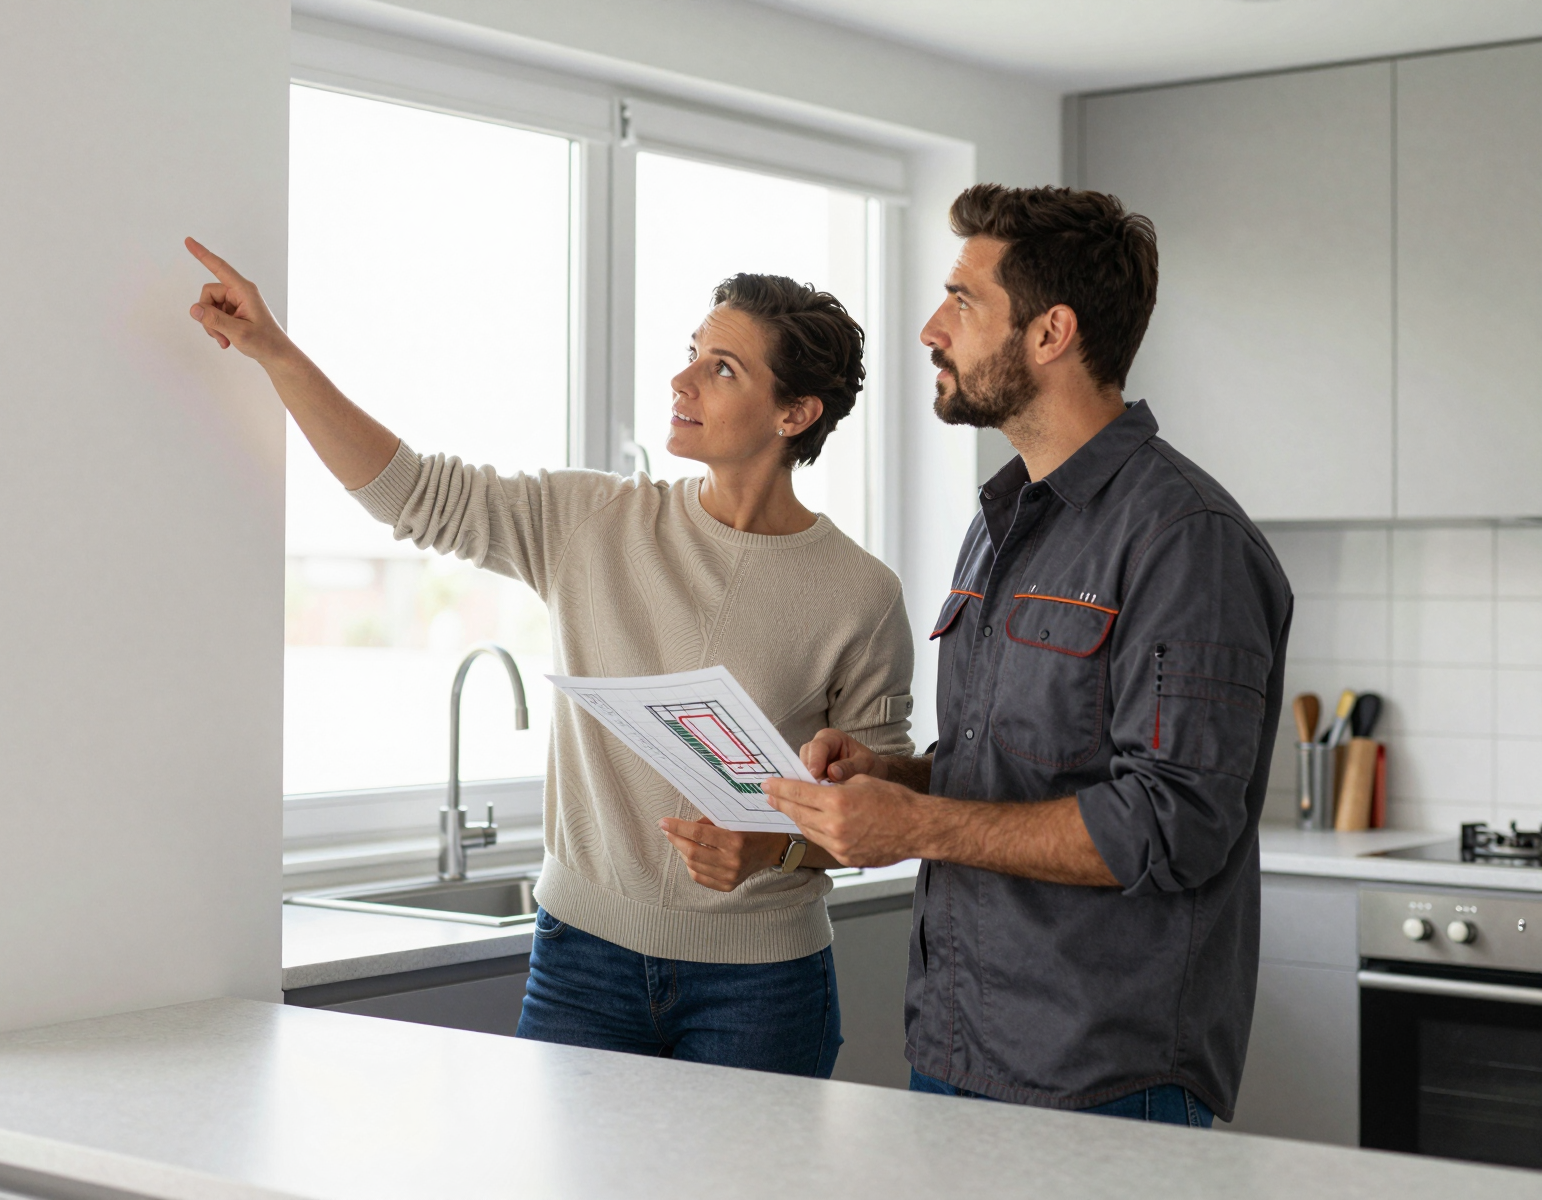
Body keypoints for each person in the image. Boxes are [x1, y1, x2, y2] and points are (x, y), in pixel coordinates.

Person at [184, 239, 915, 1077]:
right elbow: (413, 492)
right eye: (690, 356)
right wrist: (275, 352)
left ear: (796, 415)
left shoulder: (861, 594)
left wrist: (775, 849)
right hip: (584, 963)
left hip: (763, 983)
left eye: (722, 369)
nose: (681, 382)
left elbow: (878, 821)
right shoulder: (591, 521)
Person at [763, 185, 1292, 1126]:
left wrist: (916, 828)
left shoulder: (1185, 540)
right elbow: (1015, 770)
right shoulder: (1004, 522)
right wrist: (899, 779)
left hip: (1103, 1078)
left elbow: (1170, 824)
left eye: (963, 301)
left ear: (1050, 335)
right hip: (958, 1044)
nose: (932, 329)